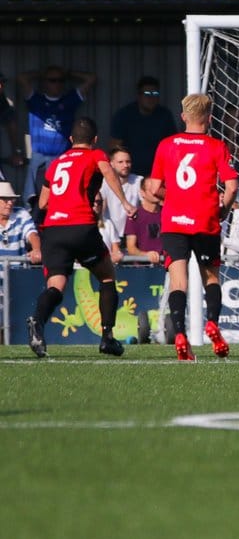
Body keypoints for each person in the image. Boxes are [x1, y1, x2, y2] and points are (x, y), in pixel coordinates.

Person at [25, 117, 137, 358]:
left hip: (53, 230)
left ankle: (37, 321)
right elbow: (107, 172)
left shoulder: (56, 163)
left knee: (56, 285)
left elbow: (43, 203)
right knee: (107, 276)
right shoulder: (95, 155)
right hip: (81, 225)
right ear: (95, 139)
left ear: (70, 139)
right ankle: (107, 337)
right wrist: (125, 202)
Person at [145, 93, 239, 361]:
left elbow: (153, 188)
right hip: (204, 219)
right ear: (209, 119)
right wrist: (223, 209)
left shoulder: (166, 145)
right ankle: (213, 324)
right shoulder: (216, 146)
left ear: (184, 116)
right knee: (211, 277)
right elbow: (232, 186)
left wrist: (176, 198)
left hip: (174, 222)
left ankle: (179, 334)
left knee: (178, 280)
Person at [16, 65, 96, 205]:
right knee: (32, 199)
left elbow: (91, 79)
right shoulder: (36, 100)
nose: (57, 84)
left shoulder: (69, 100)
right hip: (39, 158)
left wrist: (69, 73)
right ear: (44, 82)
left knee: (59, 198)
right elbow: (21, 78)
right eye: (52, 80)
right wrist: (40, 73)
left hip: (60, 158)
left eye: (60, 80)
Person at [109, 75, 179, 177]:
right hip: (130, 175)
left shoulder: (165, 115)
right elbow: (114, 147)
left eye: (155, 93)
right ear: (139, 96)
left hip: (157, 174)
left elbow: (173, 145)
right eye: (147, 94)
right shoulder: (124, 115)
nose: (151, 97)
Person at [98, 147, 143, 261]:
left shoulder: (139, 181)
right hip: (110, 238)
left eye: (128, 162)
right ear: (111, 164)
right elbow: (99, 211)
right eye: (121, 162)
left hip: (133, 239)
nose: (125, 165)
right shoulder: (102, 183)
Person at [123, 177, 164, 264]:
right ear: (142, 193)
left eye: (158, 188)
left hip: (166, 266)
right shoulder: (134, 215)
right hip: (143, 268)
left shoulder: (167, 213)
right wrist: (146, 255)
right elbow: (131, 248)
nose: (155, 192)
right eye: (151, 189)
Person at [0, 180, 40, 263]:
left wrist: (36, 250)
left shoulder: (21, 213)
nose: (10, 203)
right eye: (5, 200)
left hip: (19, 269)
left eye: (12, 199)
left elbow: (32, 234)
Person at [0, 74, 27, 170]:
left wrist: (16, 152)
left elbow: (10, 122)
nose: (1, 87)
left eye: (1, 84)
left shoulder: (2, 103)